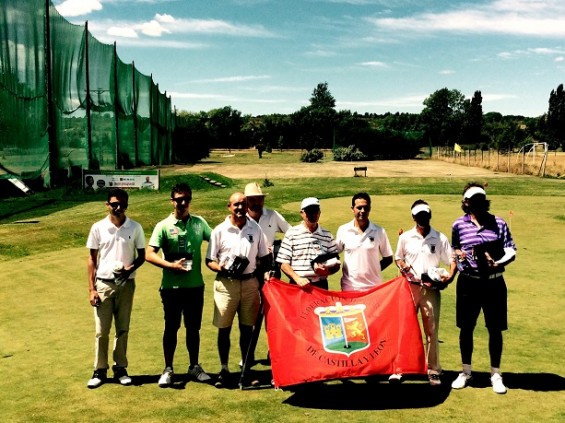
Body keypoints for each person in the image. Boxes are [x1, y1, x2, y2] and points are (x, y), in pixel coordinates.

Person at [450, 183, 517, 394]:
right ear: (466, 203)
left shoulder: (499, 222)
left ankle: (495, 374)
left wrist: (500, 263)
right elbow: (455, 248)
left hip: (494, 281)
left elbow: (510, 250)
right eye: (473, 200)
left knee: (495, 328)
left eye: (481, 200)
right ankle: (466, 372)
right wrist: (460, 257)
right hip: (468, 281)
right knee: (466, 327)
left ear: (484, 201)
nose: (478, 204)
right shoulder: (458, 225)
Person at [145, 183, 213, 387]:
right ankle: (168, 369)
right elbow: (149, 254)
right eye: (179, 199)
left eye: (187, 199)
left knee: (193, 328)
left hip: (194, 286)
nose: (183, 203)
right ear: (172, 201)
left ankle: (194, 366)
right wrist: (170, 266)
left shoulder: (199, 223)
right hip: (171, 288)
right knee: (171, 328)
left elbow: (218, 241)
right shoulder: (163, 226)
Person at [205, 192, 271, 388]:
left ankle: (246, 370)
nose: (240, 208)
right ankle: (224, 370)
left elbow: (263, 258)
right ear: (229, 207)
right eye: (236, 205)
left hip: (250, 283)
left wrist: (266, 275)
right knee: (224, 329)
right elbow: (209, 260)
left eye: (243, 204)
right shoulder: (219, 230)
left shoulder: (255, 228)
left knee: (247, 329)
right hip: (226, 284)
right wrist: (221, 268)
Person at [86, 188, 146, 389]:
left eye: (122, 204)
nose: (118, 207)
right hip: (103, 283)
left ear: (127, 205)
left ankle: (120, 368)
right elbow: (92, 260)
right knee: (102, 331)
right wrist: (91, 289)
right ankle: (99, 370)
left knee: (123, 329)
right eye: (114, 204)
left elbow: (142, 256)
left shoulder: (135, 227)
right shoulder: (98, 227)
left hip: (126, 284)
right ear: (107, 205)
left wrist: (131, 268)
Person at [392, 199, 456, 386]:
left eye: (426, 214)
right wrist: (403, 267)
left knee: (432, 330)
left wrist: (450, 276)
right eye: (419, 215)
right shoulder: (405, 238)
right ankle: (399, 368)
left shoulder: (439, 237)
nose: (423, 217)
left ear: (430, 215)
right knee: (404, 329)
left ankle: (433, 369)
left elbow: (451, 259)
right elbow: (398, 257)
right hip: (409, 289)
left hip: (431, 290)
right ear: (413, 217)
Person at [244, 182, 291, 366]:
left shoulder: (272, 215)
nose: (257, 202)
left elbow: (292, 232)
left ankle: (274, 351)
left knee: (271, 312)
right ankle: (247, 355)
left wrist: (278, 248)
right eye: (253, 199)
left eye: (259, 199)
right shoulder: (241, 218)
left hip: (269, 270)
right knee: (251, 313)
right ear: (247, 200)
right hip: (248, 271)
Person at [277, 197, 340, 289]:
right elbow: (283, 263)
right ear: (302, 213)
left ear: (319, 213)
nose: (312, 214)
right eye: (309, 211)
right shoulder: (292, 233)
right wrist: (297, 278)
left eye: (315, 211)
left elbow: (336, 263)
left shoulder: (327, 235)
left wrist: (327, 271)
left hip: (321, 285)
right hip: (298, 285)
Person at [335, 192, 393, 292]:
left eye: (366, 207)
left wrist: (373, 270)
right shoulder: (343, 230)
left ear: (370, 208)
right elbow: (335, 253)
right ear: (352, 208)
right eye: (359, 207)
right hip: (350, 287)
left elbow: (388, 258)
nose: (363, 211)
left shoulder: (379, 231)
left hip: (374, 287)